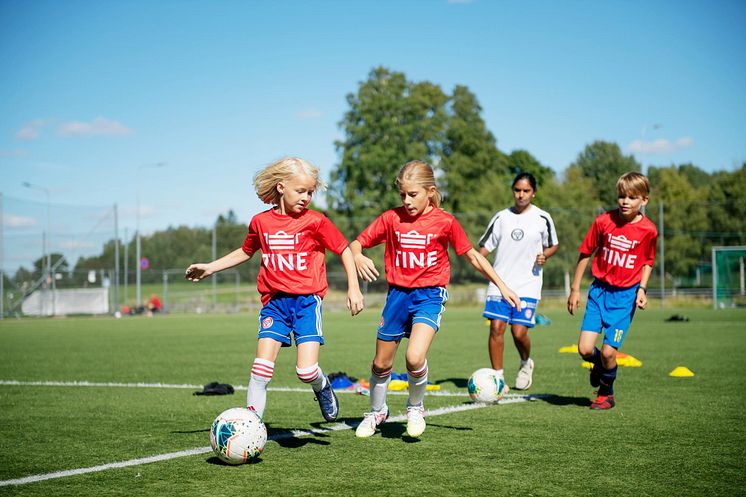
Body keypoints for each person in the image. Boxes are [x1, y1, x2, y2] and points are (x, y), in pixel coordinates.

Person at [186, 157, 364, 423]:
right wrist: (211, 268)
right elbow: (246, 252)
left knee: (305, 371)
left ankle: (322, 385)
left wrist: (354, 288)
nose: (307, 197)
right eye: (301, 191)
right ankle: (251, 423)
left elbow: (344, 249)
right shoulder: (261, 223)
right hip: (274, 304)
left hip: (306, 303)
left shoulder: (316, 221)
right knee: (261, 369)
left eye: (310, 192)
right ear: (281, 187)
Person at [351, 160, 521, 438]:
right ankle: (377, 411)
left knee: (414, 357)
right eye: (402, 195)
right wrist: (358, 254)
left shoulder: (445, 221)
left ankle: (415, 407)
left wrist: (501, 285)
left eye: (413, 194)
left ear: (430, 191)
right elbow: (356, 243)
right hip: (397, 296)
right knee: (381, 364)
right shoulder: (391, 218)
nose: (406, 201)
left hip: (430, 295)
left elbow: (472, 256)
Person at [567, 171, 657, 410]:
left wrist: (642, 289)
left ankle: (606, 393)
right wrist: (575, 289)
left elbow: (648, 261)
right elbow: (585, 253)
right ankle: (599, 367)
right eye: (621, 196)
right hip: (599, 292)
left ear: (644, 201)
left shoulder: (649, 230)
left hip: (625, 297)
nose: (625, 201)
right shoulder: (603, 222)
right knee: (585, 349)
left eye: (632, 197)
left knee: (608, 353)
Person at [478, 172, 559, 392]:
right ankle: (498, 379)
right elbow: (483, 248)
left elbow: (552, 244)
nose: (521, 195)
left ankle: (525, 363)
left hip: (528, 283)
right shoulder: (501, 217)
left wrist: (545, 255)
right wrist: (476, 258)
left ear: (534, 193)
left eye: (526, 191)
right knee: (496, 328)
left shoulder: (542, 218)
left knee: (519, 332)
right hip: (500, 282)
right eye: (517, 190)